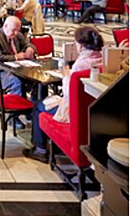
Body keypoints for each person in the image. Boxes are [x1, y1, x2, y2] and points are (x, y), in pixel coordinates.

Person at [23, 27, 104, 161]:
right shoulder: (102, 59)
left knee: (38, 106)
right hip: (94, 110)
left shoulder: (81, 65)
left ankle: (40, 149)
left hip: (73, 110)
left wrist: (66, 75)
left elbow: (69, 94)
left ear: (81, 45)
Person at [0, 17, 36, 95]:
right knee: (17, 82)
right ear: (5, 26)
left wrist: (30, 48)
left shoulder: (17, 35)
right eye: (13, 30)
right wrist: (16, 57)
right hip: (0, 72)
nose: (16, 33)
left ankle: (37, 105)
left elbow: (28, 44)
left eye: (17, 30)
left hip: (18, 69)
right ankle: (17, 106)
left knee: (37, 79)